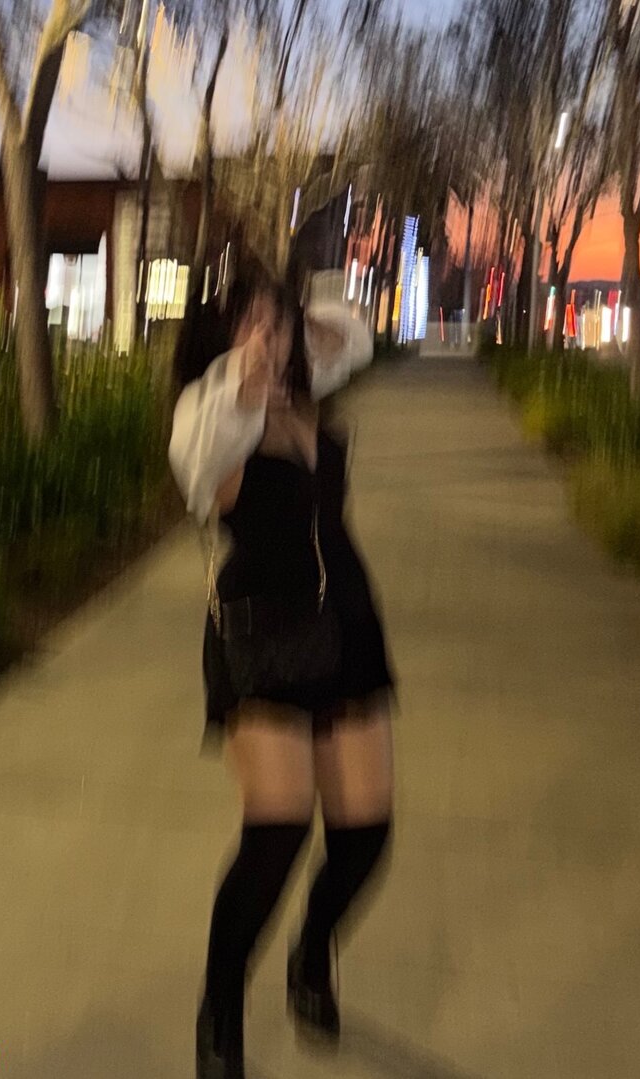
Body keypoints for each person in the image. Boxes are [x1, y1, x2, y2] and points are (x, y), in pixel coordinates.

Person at [169, 255, 397, 1079]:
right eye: (250, 320)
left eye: (278, 320)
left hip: (348, 626)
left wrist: (302, 328)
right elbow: (196, 452)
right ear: (221, 337)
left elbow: (356, 337)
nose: (269, 335)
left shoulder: (305, 393)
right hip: (261, 636)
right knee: (279, 827)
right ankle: (220, 1006)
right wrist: (245, 371)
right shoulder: (211, 413)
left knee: (365, 835)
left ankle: (311, 950)